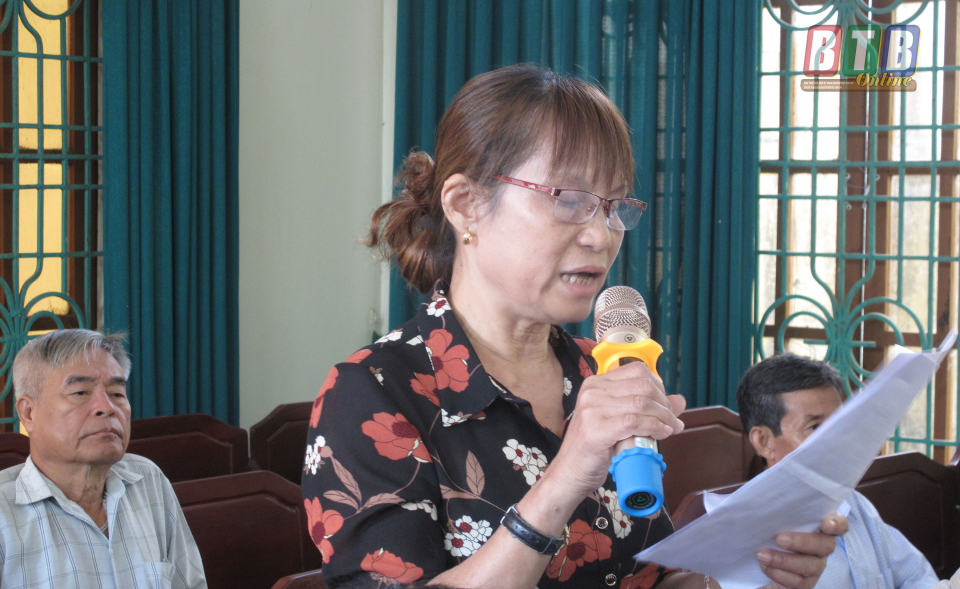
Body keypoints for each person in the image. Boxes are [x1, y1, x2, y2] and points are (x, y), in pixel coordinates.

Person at [302, 64, 846, 589]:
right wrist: (566, 475)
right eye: (569, 200)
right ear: (466, 205)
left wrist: (746, 573)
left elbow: (642, 579)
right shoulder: (372, 393)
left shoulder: (598, 367)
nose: (602, 236)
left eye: (614, 206)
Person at [0, 329, 207, 588]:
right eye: (80, 393)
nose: (107, 407)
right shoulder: (5, 514)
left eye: (117, 393)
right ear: (29, 413)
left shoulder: (148, 481)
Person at [736, 353, 939, 589]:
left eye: (840, 424)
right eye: (815, 427)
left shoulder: (854, 504)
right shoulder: (748, 542)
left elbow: (916, 575)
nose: (838, 440)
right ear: (764, 441)